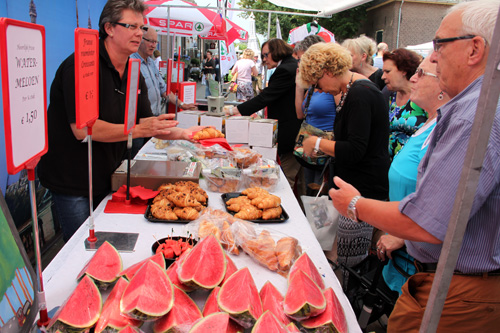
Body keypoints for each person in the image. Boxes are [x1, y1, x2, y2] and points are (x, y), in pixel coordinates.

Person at [329, 0, 500, 330]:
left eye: (439, 44)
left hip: (461, 288)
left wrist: (354, 204)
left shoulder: (473, 117)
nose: (432, 56)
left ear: (475, 48)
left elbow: (427, 223)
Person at [38, 0, 202, 242]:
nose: (139, 33)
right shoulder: (82, 65)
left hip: (109, 176)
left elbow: (148, 123)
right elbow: (83, 130)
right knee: (83, 249)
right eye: (131, 26)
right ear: (109, 28)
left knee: (111, 244)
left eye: (142, 27)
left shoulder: (134, 70)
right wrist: (137, 130)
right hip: (73, 181)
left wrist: (188, 134)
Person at [298, 42, 390, 284]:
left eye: (317, 84)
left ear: (327, 72)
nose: (319, 90)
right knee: (340, 256)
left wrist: (316, 143)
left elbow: (356, 150)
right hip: (353, 186)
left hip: (363, 189)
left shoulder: (360, 94)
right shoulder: (351, 91)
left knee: (346, 263)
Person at [379, 57, 450, 295]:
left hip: (419, 263)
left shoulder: (448, 128)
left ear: (444, 85)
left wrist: (403, 237)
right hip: (403, 256)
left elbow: (448, 200)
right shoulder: (430, 121)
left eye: (421, 73)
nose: (413, 78)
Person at [225, 39, 303, 194]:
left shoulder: (286, 69)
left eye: (266, 55)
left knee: (283, 181)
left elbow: (266, 97)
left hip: (289, 132)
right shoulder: (289, 66)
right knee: (295, 181)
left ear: (277, 51)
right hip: (289, 130)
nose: (264, 60)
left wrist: (236, 110)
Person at [294, 35, 336, 193]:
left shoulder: (332, 85)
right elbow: (300, 113)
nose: (300, 63)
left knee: (320, 194)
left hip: (325, 150)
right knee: (310, 193)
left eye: (302, 58)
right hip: (310, 149)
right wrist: (299, 84)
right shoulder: (313, 86)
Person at [131, 27, 196, 117]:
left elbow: (164, 89)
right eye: (150, 41)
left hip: (155, 117)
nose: (153, 45)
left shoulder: (151, 63)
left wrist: (182, 105)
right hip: (140, 119)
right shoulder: (131, 62)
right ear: (140, 40)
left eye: (155, 42)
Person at [382, 48, 427, 159]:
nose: (383, 76)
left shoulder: (423, 96)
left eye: (387, 72)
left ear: (404, 70)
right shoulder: (389, 95)